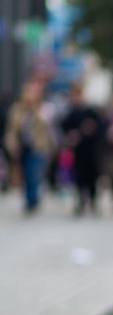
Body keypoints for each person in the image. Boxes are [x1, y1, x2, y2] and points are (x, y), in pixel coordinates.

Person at [3, 78, 54, 213]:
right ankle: (29, 198)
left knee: (34, 173)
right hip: (22, 148)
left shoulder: (43, 109)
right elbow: (11, 131)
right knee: (25, 174)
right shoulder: (17, 110)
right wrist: (12, 145)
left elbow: (48, 129)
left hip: (38, 147)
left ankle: (32, 200)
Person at [61, 82, 104, 215]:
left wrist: (91, 129)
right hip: (78, 151)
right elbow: (64, 128)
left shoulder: (91, 111)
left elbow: (100, 127)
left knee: (92, 177)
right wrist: (71, 137)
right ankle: (81, 201)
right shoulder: (71, 113)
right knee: (79, 178)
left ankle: (92, 201)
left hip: (91, 150)